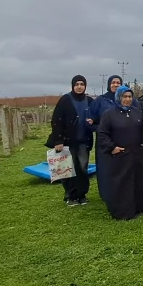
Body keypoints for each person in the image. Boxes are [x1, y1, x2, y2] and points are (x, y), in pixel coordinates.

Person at [96, 85, 143, 220]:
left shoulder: (136, 112)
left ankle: (140, 207)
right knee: (123, 182)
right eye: (124, 97)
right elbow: (102, 134)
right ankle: (123, 211)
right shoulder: (109, 114)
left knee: (138, 180)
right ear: (118, 98)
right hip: (120, 155)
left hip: (137, 154)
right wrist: (112, 147)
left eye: (130, 97)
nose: (127, 99)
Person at [45, 75, 94, 206]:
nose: (79, 87)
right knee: (67, 169)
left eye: (82, 84)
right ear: (73, 86)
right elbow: (56, 121)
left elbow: (96, 117)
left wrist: (93, 121)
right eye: (77, 84)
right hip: (67, 142)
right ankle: (70, 196)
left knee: (83, 169)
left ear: (85, 86)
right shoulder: (65, 100)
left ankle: (82, 194)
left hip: (84, 141)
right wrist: (58, 140)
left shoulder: (89, 101)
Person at [89, 74, 134, 203]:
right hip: (106, 141)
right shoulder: (101, 101)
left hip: (124, 139)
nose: (115, 84)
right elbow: (90, 120)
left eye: (118, 82)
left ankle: (124, 192)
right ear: (109, 84)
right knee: (106, 168)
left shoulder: (128, 99)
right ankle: (107, 194)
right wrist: (100, 129)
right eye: (113, 82)